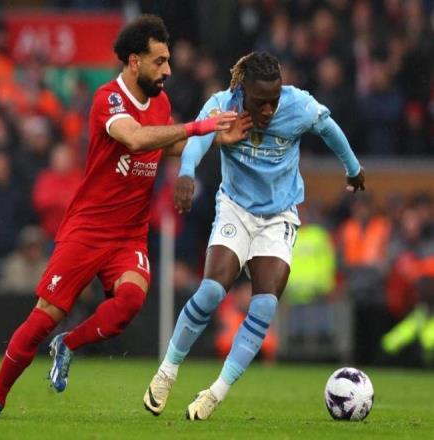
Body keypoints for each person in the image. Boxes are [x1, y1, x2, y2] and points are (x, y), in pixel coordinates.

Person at [0, 14, 244, 420]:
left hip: (129, 233)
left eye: (169, 60)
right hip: (88, 228)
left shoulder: (161, 102)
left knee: (130, 301)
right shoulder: (108, 99)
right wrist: (199, 125)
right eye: (160, 61)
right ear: (134, 62)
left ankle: (68, 344)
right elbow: (134, 137)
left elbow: (165, 144)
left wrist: (217, 138)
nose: (168, 70)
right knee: (44, 317)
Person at [143, 51, 365, 421]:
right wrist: (186, 172)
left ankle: (215, 393)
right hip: (236, 208)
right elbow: (197, 138)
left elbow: (329, 128)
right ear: (242, 90)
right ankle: (167, 372)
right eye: (260, 102)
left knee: (263, 307)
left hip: (279, 216)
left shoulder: (298, 105)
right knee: (211, 291)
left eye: (273, 101)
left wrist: (353, 169)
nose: (268, 110)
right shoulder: (222, 105)